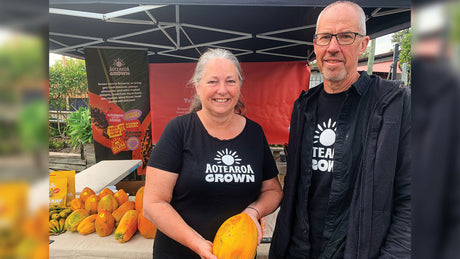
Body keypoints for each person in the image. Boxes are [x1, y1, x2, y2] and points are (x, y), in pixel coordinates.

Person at [269, 1, 411, 258]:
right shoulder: (304, 106)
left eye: (345, 36)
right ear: (315, 45)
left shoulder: (394, 104)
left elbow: (414, 198)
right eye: (325, 37)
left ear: (363, 43)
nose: (333, 47)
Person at [143, 48, 283, 259]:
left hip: (238, 253)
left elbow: (273, 191)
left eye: (230, 81)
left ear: (239, 86)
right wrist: (199, 245)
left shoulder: (254, 133)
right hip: (180, 254)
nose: (222, 90)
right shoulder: (178, 131)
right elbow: (153, 204)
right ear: (197, 87)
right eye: (212, 82)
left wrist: (253, 212)